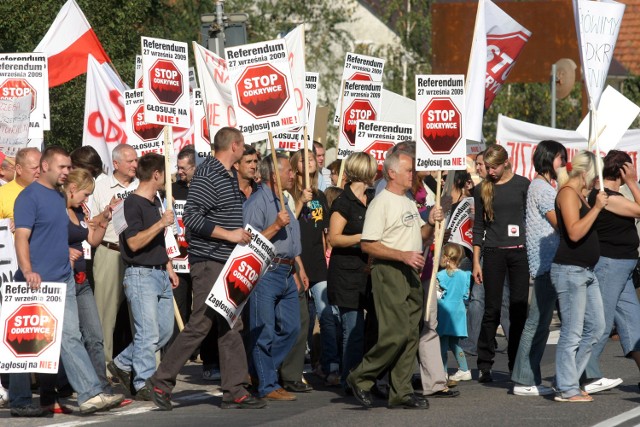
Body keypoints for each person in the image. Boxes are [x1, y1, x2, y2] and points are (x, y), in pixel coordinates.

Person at [148, 127, 265, 410]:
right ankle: (161, 381)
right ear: (235, 146)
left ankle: (234, 390)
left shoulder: (226, 175)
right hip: (209, 261)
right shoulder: (208, 173)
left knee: (231, 323)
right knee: (202, 322)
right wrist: (231, 235)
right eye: (244, 147)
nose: (246, 152)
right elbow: (192, 218)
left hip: (225, 261)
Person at [12, 146, 124, 416]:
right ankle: (19, 401)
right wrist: (27, 271)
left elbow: (65, 233)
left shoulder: (59, 197)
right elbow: (21, 237)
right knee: (26, 344)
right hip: (36, 280)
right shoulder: (28, 197)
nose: (67, 172)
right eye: (62, 167)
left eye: (68, 168)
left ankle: (88, 394)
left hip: (64, 279)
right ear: (45, 166)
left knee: (69, 337)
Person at [346, 149, 441, 409]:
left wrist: (430, 222)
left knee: (411, 333)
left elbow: (419, 237)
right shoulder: (382, 202)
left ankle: (401, 391)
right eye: (408, 170)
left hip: (410, 269)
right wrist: (402, 256)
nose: (413, 175)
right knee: (395, 332)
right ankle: (360, 376)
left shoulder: (409, 200)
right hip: (389, 271)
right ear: (391, 172)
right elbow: (368, 244)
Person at [108, 153, 179, 400]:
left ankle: (122, 362)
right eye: (165, 173)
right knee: (147, 333)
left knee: (164, 331)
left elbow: (157, 241)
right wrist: (161, 224)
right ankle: (143, 383)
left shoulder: (155, 202)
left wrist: (168, 266)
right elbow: (135, 242)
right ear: (156, 174)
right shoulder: (131, 204)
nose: (168, 178)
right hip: (140, 275)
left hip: (159, 273)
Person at [244, 153, 308, 401]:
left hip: (286, 271)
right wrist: (276, 226)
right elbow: (249, 241)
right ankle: (267, 385)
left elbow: (292, 242)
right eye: (288, 171)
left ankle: (259, 371)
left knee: (292, 329)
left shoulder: (284, 201)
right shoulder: (257, 202)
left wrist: (297, 268)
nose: (293, 175)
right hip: (265, 271)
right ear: (274, 175)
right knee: (264, 331)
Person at [511, 140, 566, 396]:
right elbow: (561, 222)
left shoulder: (543, 186)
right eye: (560, 158)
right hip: (546, 263)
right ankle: (524, 379)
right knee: (537, 322)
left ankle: (527, 376)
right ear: (548, 159)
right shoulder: (543, 189)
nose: (563, 164)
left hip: (548, 261)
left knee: (541, 322)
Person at [551, 150, 607, 402]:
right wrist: (596, 208)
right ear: (585, 174)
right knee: (572, 332)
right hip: (570, 270)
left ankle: (570, 379)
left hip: (585, 270)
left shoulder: (580, 195)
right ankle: (567, 387)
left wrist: (593, 203)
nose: (596, 182)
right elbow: (574, 233)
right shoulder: (567, 194)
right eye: (595, 177)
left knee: (596, 327)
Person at [583, 150, 640, 394]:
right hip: (609, 265)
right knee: (601, 324)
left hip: (623, 267)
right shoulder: (605, 196)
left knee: (633, 325)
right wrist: (633, 182)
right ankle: (585, 375)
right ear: (621, 171)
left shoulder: (611, 195)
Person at [473, 144, 530, 383]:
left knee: (518, 310)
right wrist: (476, 261)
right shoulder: (481, 189)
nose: (490, 171)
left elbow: (531, 219)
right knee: (492, 310)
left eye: (493, 166)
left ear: (506, 163)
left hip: (519, 253)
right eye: (487, 167)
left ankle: (516, 362)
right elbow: (478, 227)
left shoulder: (523, 185)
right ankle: (484, 364)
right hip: (493, 252)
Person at [63, 168, 117, 399]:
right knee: (70, 337)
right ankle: (72, 387)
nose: (87, 200)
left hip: (82, 281)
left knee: (95, 335)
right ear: (72, 188)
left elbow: (93, 240)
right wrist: (63, 251)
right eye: (85, 194)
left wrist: (104, 218)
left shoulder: (79, 209)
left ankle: (102, 387)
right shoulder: (56, 210)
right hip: (64, 280)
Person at [287, 149, 337, 389]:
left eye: (312, 158)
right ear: (295, 166)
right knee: (300, 319)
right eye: (304, 159)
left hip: (318, 262)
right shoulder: (289, 193)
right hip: (296, 261)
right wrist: (300, 201)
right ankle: (293, 369)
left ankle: (329, 366)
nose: (310, 162)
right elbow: (287, 222)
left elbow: (324, 231)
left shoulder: (319, 195)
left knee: (326, 314)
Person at [327, 152, 377, 390]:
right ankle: (350, 379)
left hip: (370, 272)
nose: (377, 173)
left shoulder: (373, 198)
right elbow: (334, 239)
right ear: (364, 172)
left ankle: (367, 376)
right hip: (347, 273)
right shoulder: (343, 202)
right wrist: (362, 238)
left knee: (372, 328)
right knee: (353, 329)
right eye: (373, 169)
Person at [90, 144, 139, 367]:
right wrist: (106, 212)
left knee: (140, 315)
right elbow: (90, 223)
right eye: (130, 161)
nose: (135, 165)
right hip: (110, 252)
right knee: (105, 315)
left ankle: (142, 368)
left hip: (138, 255)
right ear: (116, 164)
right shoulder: (99, 186)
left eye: (136, 161)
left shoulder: (141, 183)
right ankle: (104, 369)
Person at [437, 243, 472, 381]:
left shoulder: (440, 275)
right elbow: (465, 295)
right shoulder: (465, 276)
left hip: (445, 311)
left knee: (443, 343)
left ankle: (442, 371)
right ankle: (464, 369)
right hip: (458, 311)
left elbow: (437, 296)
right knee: (455, 343)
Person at [0, 148, 41, 231]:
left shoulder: (52, 193)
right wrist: (6, 225)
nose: (40, 171)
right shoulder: (2, 195)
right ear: (19, 169)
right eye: (34, 168)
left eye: (42, 167)